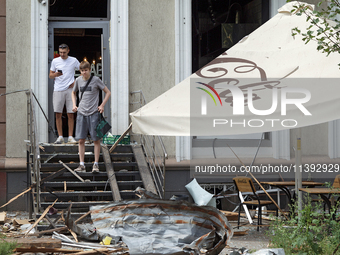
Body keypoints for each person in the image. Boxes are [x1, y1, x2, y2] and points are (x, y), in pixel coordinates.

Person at [72, 61, 111, 173]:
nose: (84, 72)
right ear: (80, 71)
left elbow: (108, 92)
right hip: (81, 113)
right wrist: (74, 105)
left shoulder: (96, 80)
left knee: (96, 139)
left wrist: (102, 105)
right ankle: (82, 165)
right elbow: (73, 92)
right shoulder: (78, 81)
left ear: (90, 70)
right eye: (82, 70)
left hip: (94, 113)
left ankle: (96, 164)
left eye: (86, 70)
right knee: (81, 140)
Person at [49, 43, 80, 144]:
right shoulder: (55, 61)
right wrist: (55, 74)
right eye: (60, 52)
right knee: (58, 113)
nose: (62, 54)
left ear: (68, 51)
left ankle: (71, 137)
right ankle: (60, 137)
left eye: (64, 52)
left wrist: (76, 82)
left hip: (70, 90)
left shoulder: (73, 60)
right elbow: (50, 75)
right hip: (58, 89)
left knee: (71, 114)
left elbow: (84, 70)